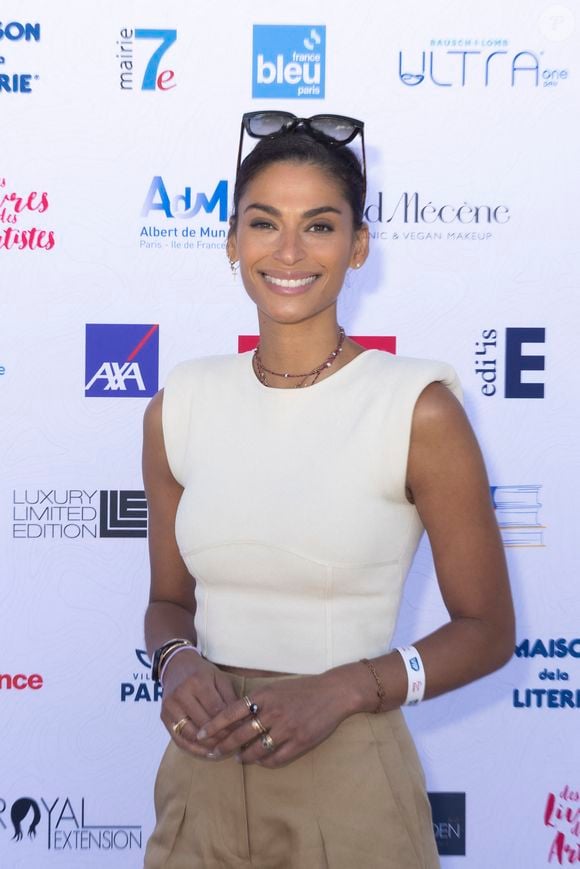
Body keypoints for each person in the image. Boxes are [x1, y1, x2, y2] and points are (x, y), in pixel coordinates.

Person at [142, 112, 515, 869]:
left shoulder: (418, 407)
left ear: (359, 247)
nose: (287, 251)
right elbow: (167, 602)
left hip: (351, 779)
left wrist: (345, 689)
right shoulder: (179, 402)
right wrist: (176, 659)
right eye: (263, 222)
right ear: (230, 240)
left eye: (318, 224)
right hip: (200, 777)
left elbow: (487, 629)